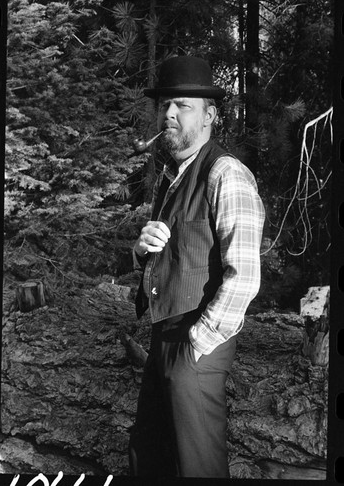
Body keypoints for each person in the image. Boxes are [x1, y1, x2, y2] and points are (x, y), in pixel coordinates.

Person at [129, 55, 265, 478]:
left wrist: (196, 346)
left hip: (196, 345)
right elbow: (173, 256)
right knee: (150, 459)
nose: (168, 113)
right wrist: (141, 249)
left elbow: (244, 275)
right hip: (164, 338)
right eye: (165, 105)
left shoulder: (227, 174)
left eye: (182, 105)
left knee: (197, 468)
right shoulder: (173, 176)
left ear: (209, 116)